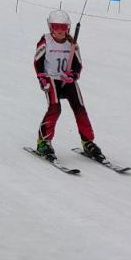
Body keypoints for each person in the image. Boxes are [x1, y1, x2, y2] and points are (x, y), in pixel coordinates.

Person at [34, 10, 103, 161]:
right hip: (51, 79)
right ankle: (43, 142)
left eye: (63, 27)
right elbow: (38, 61)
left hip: (68, 81)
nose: (60, 31)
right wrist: (41, 77)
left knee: (80, 108)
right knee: (55, 108)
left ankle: (87, 141)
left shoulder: (72, 44)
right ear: (50, 27)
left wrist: (73, 75)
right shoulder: (45, 41)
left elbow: (78, 64)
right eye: (56, 26)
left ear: (69, 28)